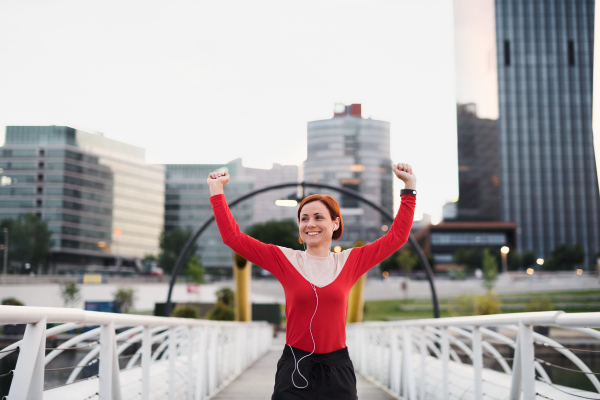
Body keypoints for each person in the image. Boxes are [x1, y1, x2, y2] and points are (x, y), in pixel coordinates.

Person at [207, 163, 417, 400]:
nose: (311, 224)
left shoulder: (350, 261)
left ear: (335, 223)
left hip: (337, 371)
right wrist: (217, 191)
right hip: (295, 368)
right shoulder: (284, 259)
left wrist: (409, 188)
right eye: (304, 218)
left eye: (319, 217)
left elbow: (397, 237)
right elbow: (233, 237)